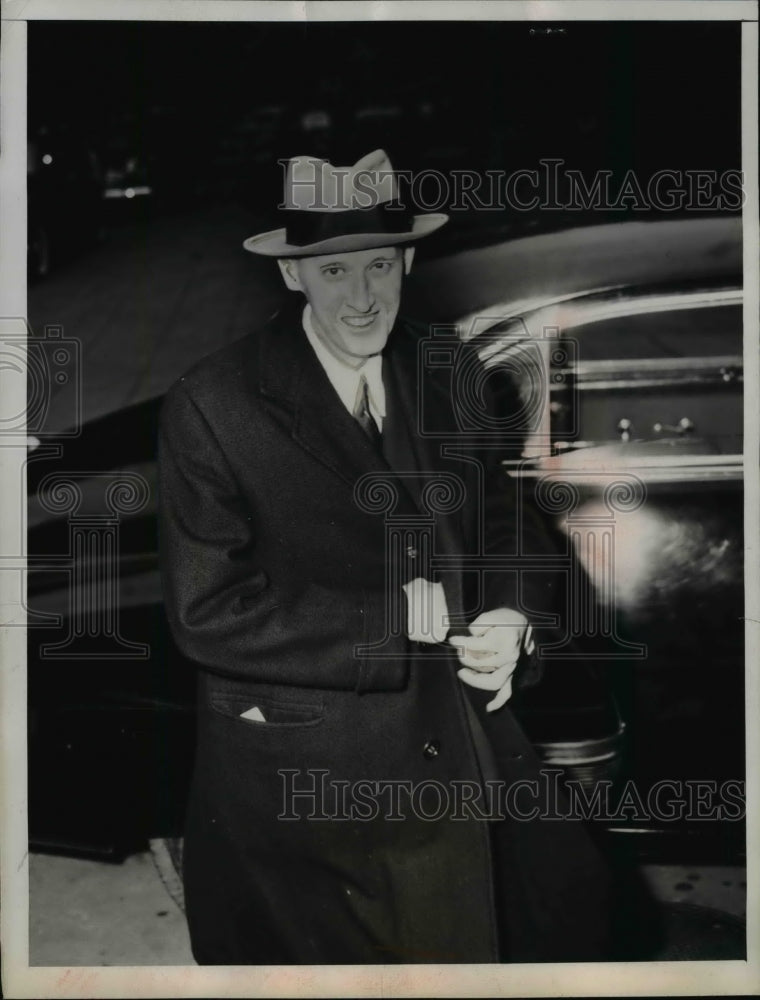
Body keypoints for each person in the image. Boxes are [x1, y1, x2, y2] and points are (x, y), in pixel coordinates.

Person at [158, 149, 611, 965]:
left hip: (462, 733)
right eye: (334, 270)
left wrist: (513, 615)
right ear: (292, 275)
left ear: (406, 261)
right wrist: (391, 619)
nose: (362, 295)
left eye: (378, 263)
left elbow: (503, 520)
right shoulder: (214, 402)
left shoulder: (447, 367)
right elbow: (207, 609)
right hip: (311, 768)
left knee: (534, 932)